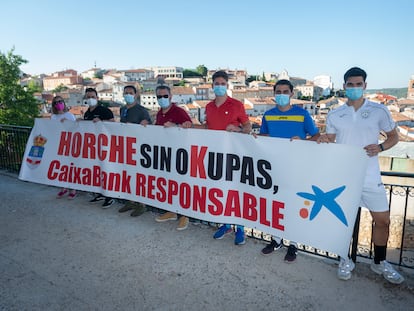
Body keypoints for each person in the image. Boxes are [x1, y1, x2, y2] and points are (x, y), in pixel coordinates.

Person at [317, 67, 404, 284]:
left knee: (382, 221)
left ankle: (380, 262)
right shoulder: (335, 113)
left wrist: (381, 147)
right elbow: (329, 138)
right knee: (344, 222)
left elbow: (395, 137)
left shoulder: (379, 110)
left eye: (358, 84)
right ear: (344, 86)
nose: (354, 88)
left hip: (370, 175)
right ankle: (345, 260)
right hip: (344, 176)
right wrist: (316, 141)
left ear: (365, 86)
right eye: (350, 84)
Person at [259, 79, 320, 263]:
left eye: (285, 91)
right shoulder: (268, 115)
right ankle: (276, 240)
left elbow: (316, 136)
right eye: (279, 91)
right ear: (274, 94)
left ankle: (293, 244)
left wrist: (303, 142)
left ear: (292, 94)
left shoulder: (302, 114)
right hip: (275, 168)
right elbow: (263, 137)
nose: (282, 94)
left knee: (294, 206)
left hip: (297, 167)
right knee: (276, 205)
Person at [193, 70, 252, 245]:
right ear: (212, 86)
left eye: (222, 84)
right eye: (216, 83)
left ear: (227, 85)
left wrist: (238, 129)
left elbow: (248, 127)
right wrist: (189, 127)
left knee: (235, 191)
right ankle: (225, 224)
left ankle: (240, 228)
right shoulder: (209, 107)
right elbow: (208, 127)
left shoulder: (236, 105)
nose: (219, 86)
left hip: (234, 155)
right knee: (220, 190)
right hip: (215, 155)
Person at [153, 84, 193, 230]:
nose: (162, 99)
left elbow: (190, 128)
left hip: (180, 153)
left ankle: (184, 215)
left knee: (182, 184)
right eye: (159, 96)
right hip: (165, 153)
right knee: (169, 184)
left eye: (165, 96)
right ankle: (171, 211)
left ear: (170, 97)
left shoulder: (179, 111)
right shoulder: (159, 113)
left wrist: (176, 125)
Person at [117, 85, 152, 217]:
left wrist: (145, 123)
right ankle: (131, 201)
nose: (128, 95)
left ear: (136, 94)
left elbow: (149, 125)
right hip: (126, 147)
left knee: (140, 176)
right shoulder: (122, 109)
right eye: (126, 93)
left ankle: (142, 205)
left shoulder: (142, 110)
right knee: (128, 174)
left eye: (130, 93)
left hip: (139, 149)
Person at [83, 87, 116, 208]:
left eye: (93, 97)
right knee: (96, 171)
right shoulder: (87, 113)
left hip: (105, 148)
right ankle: (100, 193)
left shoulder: (104, 111)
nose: (90, 99)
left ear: (97, 98)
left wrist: (101, 121)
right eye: (88, 97)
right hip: (93, 148)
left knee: (106, 170)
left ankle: (110, 197)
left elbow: (113, 125)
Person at [51, 96, 77, 199]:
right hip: (58, 145)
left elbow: (76, 129)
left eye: (60, 101)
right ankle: (63, 188)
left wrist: (67, 123)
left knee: (70, 167)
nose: (59, 103)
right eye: (56, 102)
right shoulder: (53, 117)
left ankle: (73, 189)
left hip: (69, 145)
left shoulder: (69, 115)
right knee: (60, 167)